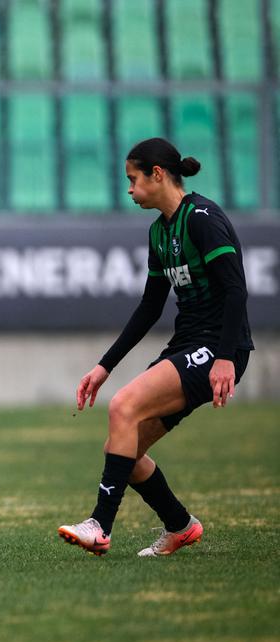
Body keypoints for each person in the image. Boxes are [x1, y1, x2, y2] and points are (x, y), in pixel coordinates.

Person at [59, 138, 254, 557]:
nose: (129, 189)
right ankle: (180, 525)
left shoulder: (202, 218)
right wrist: (104, 366)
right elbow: (149, 307)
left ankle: (99, 526)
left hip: (218, 348)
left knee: (122, 408)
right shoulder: (159, 231)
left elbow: (236, 291)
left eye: (133, 179)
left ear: (158, 175)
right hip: (188, 345)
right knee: (123, 447)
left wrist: (224, 358)